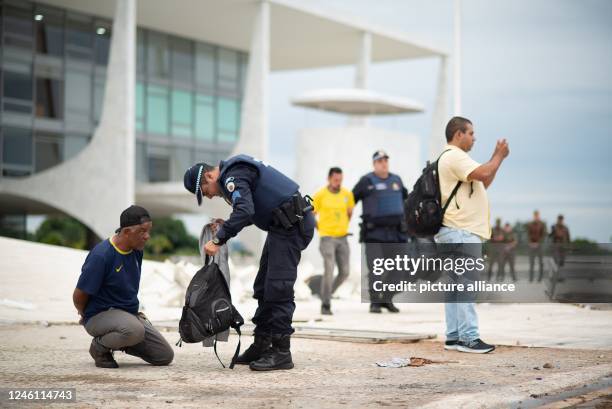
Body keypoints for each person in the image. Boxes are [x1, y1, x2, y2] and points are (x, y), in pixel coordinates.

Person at [183, 155, 314, 371]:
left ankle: (282, 352)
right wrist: (227, 225)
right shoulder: (234, 174)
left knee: (278, 288)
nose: (208, 196)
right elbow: (255, 207)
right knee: (263, 287)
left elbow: (245, 210)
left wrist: (218, 239)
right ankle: (262, 344)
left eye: (205, 191)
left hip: (291, 227)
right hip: (280, 227)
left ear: (208, 175)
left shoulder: (232, 175)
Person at [434, 116, 509, 353]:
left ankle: (454, 336)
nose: (474, 138)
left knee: (456, 286)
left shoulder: (453, 159)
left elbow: (482, 181)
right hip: (461, 231)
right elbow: (484, 171)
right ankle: (468, 338)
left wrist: (497, 162)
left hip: (454, 231)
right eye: (471, 133)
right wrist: (498, 155)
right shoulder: (454, 156)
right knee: (465, 284)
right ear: (458, 134)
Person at [73, 205, 174, 368]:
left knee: (164, 356)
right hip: (99, 315)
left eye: (149, 231)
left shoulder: (136, 250)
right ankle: (99, 347)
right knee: (134, 330)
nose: (147, 236)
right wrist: (86, 315)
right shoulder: (101, 256)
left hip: (127, 317)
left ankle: (124, 338)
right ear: (126, 232)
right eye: (142, 231)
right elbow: (78, 296)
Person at [352, 150, 408, 313]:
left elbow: (406, 199)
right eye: (380, 161)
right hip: (374, 233)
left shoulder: (396, 180)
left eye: (385, 160)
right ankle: (375, 301)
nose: (384, 163)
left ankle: (387, 298)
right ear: (374, 164)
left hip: (397, 234)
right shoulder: (367, 181)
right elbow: (350, 200)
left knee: (400, 269)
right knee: (376, 269)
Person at [312, 167, 354, 315]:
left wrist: (342, 227)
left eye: (340, 180)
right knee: (329, 269)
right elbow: (311, 214)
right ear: (329, 178)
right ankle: (325, 304)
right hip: (327, 238)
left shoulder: (347, 194)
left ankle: (326, 294)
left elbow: (350, 212)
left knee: (345, 272)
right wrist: (320, 229)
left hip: (343, 238)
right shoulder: (320, 195)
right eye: (336, 180)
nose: (338, 183)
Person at [527, 210, 547, 282]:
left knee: (541, 263)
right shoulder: (530, 224)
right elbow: (528, 234)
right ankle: (531, 278)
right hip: (532, 245)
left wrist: (538, 243)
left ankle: (540, 278)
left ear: (539, 215)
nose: (536, 217)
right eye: (535, 215)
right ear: (534, 216)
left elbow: (543, 235)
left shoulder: (542, 224)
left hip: (539, 245)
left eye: (537, 215)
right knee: (531, 263)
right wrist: (530, 243)